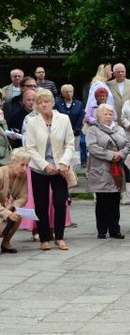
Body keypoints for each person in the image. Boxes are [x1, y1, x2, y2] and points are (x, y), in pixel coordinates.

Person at [24, 88, 75, 251]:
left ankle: (59, 237)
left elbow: (70, 143)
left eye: (46, 101)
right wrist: (45, 165)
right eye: (39, 102)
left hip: (60, 168)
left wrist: (64, 163)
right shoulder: (32, 122)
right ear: (36, 106)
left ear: (53, 103)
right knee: (41, 204)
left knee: (60, 202)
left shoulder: (64, 119)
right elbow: (30, 148)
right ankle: (44, 238)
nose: (43, 104)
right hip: (39, 168)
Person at [85, 103, 130, 239]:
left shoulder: (120, 129)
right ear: (98, 116)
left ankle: (115, 229)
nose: (108, 116)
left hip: (117, 170)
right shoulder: (93, 130)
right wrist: (111, 155)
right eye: (105, 114)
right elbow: (92, 147)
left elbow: (128, 144)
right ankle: (102, 229)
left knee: (115, 201)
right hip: (101, 170)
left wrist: (121, 154)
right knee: (102, 201)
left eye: (110, 114)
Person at [0, 148, 31, 253]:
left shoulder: (23, 175)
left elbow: (24, 197)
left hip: (7, 206)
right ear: (13, 162)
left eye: (26, 165)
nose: (24, 168)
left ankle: (6, 243)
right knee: (11, 216)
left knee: (18, 214)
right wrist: (7, 212)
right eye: (22, 164)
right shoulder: (1, 173)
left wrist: (12, 206)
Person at [54, 85, 84, 162]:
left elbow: (81, 118)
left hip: (75, 133)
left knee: (75, 152)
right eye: (66, 92)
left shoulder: (79, 104)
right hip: (61, 132)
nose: (69, 93)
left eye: (70, 91)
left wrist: (76, 129)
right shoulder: (57, 104)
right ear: (63, 94)